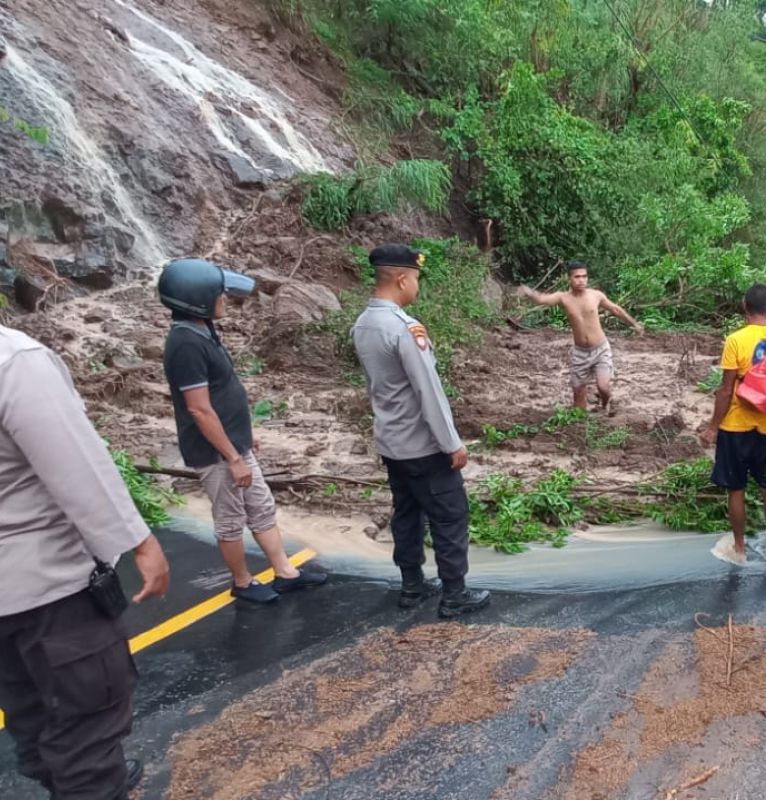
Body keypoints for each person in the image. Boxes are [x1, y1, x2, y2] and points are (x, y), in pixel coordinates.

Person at [0, 324, 170, 800]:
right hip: (48, 585)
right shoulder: (14, 361)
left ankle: (67, 780)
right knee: (88, 714)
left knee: (28, 705)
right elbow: (76, 463)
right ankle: (88, 782)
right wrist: (139, 541)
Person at [159, 259, 327, 604]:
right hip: (216, 453)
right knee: (231, 517)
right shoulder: (185, 344)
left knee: (261, 506)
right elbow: (199, 409)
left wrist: (243, 437)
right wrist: (233, 456)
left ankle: (285, 572)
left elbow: (220, 395)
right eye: (219, 294)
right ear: (197, 300)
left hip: (234, 445)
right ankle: (242, 581)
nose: (225, 299)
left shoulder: (201, 329)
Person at [352, 243, 491, 617]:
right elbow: (428, 391)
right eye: (415, 278)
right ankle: (454, 594)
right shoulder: (404, 328)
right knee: (450, 516)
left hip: (392, 443)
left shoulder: (362, 323)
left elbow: (374, 387)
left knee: (407, 514)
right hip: (423, 447)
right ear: (401, 278)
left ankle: (412, 586)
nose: (417, 286)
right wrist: (452, 444)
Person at [701, 284, 766, 561]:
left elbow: (725, 389)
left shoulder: (735, 340)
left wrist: (712, 427)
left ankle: (740, 547)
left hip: (735, 425)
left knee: (737, 489)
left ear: (745, 306)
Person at [517, 261, 643, 413]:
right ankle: (581, 424)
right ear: (569, 279)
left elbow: (615, 309)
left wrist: (634, 324)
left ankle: (604, 405)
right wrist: (528, 292)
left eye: (584, 276)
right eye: (577, 277)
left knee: (603, 387)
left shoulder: (595, 295)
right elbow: (542, 299)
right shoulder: (563, 298)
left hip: (601, 349)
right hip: (580, 353)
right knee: (578, 397)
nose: (581, 280)